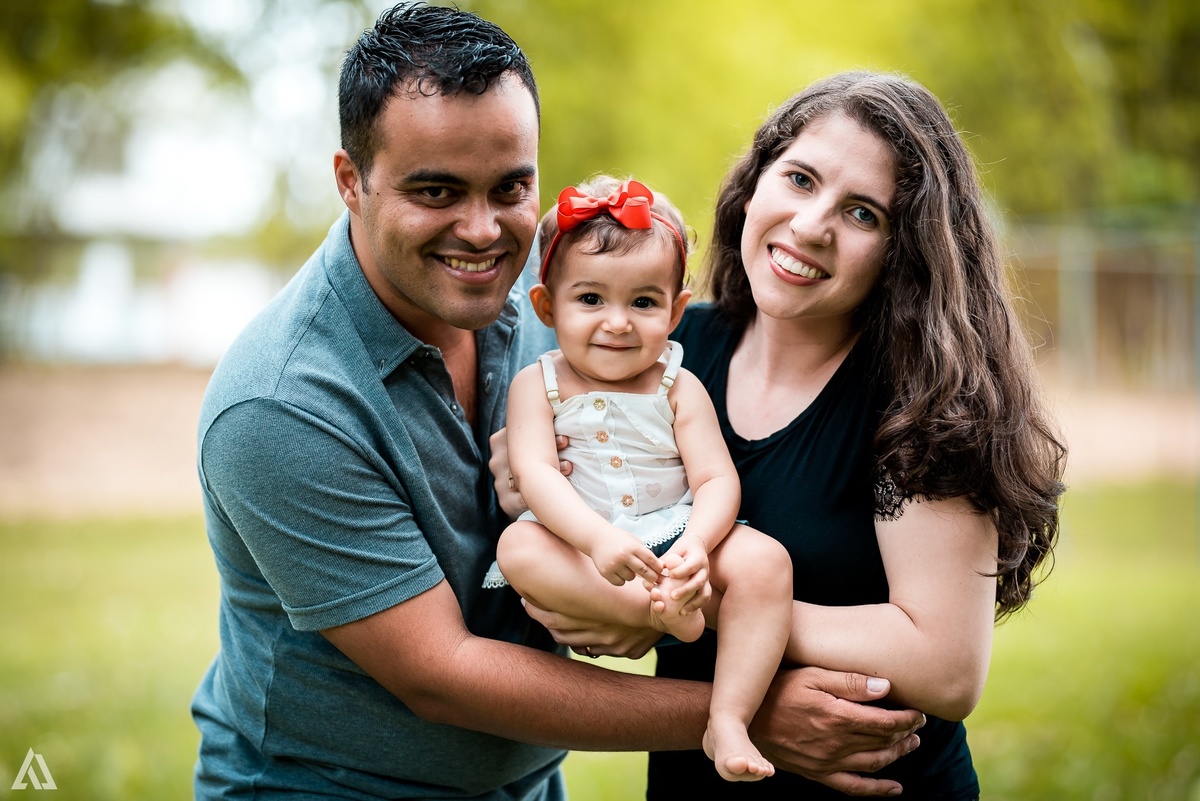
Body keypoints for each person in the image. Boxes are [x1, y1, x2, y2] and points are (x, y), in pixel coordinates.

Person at [191, 3, 925, 796]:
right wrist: (745, 714)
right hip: (330, 787)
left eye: (510, 186)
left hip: (527, 783)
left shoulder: (545, 302)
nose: (481, 231)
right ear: (350, 180)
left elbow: (644, 312)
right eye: (436, 190)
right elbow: (440, 673)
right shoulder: (281, 402)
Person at [509, 71, 1067, 799]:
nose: (811, 225)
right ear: (754, 183)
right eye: (800, 178)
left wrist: (703, 606)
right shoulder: (673, 349)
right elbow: (558, 475)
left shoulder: (924, 401)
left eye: (863, 213)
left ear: (905, 252)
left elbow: (947, 666)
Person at [487, 175, 793, 781]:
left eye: (644, 303)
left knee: (767, 563)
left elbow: (715, 482)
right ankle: (653, 613)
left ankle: (729, 718)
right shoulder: (538, 385)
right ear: (548, 306)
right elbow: (537, 473)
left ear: (677, 311)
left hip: (674, 527)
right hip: (585, 538)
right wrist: (595, 540)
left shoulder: (678, 385)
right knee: (517, 546)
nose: (619, 323)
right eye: (591, 300)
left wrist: (696, 547)